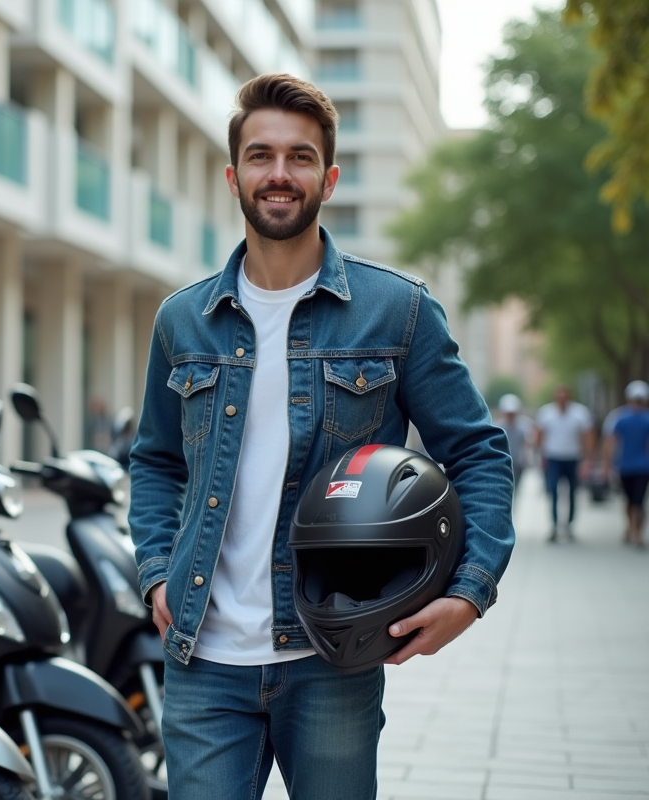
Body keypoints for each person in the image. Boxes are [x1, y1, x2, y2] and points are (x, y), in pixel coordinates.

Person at [128, 74, 515, 800]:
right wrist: (154, 569)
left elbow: (477, 452)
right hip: (203, 659)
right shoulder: (182, 321)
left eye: (300, 157)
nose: (279, 173)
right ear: (233, 176)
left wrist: (470, 592)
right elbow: (154, 460)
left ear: (329, 178)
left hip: (334, 654)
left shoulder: (397, 311)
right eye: (261, 155)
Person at [533, 385, 595, 542]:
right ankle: (554, 525)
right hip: (553, 457)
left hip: (573, 457)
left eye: (564, 396)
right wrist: (539, 456)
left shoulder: (580, 413)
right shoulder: (546, 413)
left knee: (572, 492)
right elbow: (539, 436)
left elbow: (587, 436)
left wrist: (588, 459)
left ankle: (569, 525)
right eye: (559, 396)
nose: (562, 400)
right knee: (553, 491)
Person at [601, 380, 649, 547]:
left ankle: (635, 531)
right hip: (634, 466)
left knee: (634, 500)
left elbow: (610, 443)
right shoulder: (626, 418)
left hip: (633, 466)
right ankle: (633, 528)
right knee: (635, 500)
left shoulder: (620, 418)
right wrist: (606, 463)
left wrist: (606, 464)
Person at [495, 394, 534, 491]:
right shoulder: (498, 426)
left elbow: (526, 443)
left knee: (515, 487)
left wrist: (527, 457)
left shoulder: (523, 426)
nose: (510, 416)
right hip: (502, 461)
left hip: (518, 462)